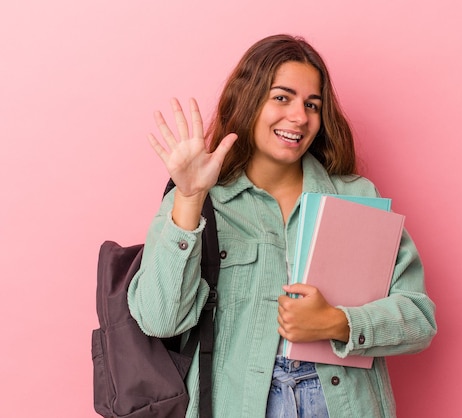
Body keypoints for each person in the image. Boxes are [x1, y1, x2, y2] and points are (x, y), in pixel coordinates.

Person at [128, 34, 437, 418]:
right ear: (249, 100)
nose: (299, 117)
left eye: (312, 104)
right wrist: (189, 198)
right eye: (282, 97)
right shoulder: (200, 200)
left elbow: (419, 319)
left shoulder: (355, 197)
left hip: (342, 405)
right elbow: (160, 320)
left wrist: (338, 323)